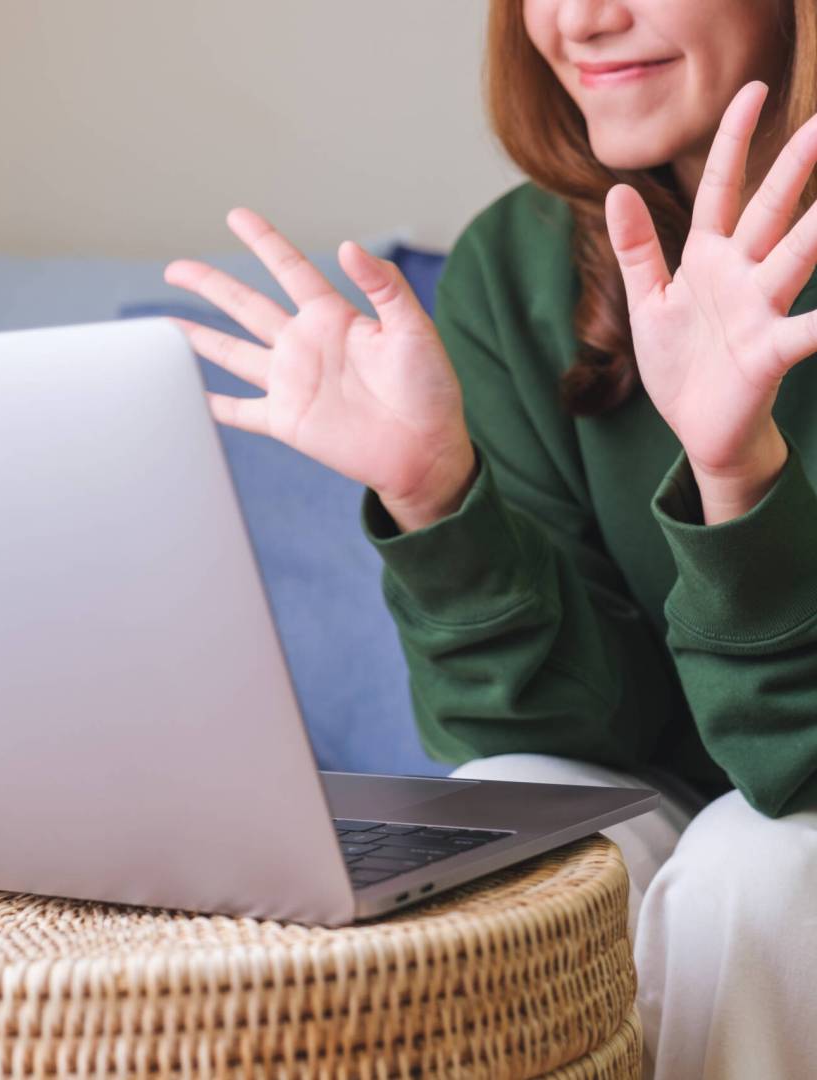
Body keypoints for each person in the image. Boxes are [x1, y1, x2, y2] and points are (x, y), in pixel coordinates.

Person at [164, 1, 817, 1076]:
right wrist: (437, 498)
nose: (581, 20)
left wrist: (739, 471)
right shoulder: (520, 263)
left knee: (761, 870)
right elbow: (567, 732)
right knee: (508, 823)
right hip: (694, 800)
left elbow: (795, 776)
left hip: (785, 819)